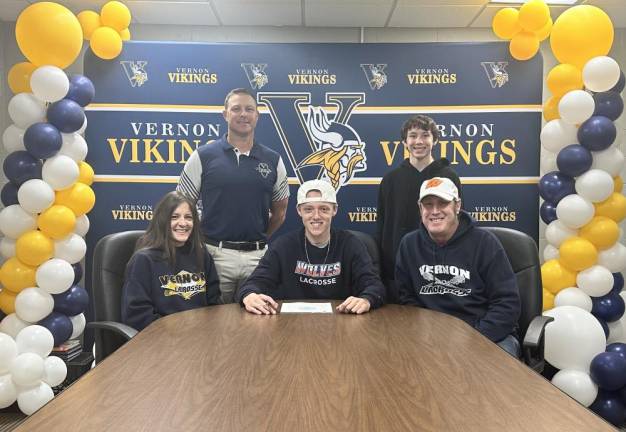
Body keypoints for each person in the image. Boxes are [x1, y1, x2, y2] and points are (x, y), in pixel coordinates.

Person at [177, 88, 290, 304]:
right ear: (225, 114)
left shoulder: (273, 160)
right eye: (236, 109)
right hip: (214, 255)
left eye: (249, 109)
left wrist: (259, 237)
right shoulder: (203, 156)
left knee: (257, 323)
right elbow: (181, 206)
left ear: (257, 116)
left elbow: (281, 211)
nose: (243, 114)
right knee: (212, 321)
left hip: (258, 257)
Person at [395, 177, 521, 356]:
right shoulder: (409, 245)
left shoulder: (485, 243)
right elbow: (407, 300)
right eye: (428, 204)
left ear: (457, 205)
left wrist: (472, 338)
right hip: (432, 337)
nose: (435, 211)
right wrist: (428, 335)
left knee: (493, 378)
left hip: (487, 335)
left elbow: (507, 304)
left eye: (443, 203)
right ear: (420, 209)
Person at [238, 179, 386, 315]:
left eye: (323, 209)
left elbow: (374, 286)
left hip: (341, 324)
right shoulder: (283, 246)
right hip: (292, 325)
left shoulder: (350, 244)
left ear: (334, 210)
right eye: (308, 209)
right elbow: (254, 283)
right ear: (299, 211)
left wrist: (366, 299)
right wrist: (249, 295)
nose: (316, 216)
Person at [377, 114, 461, 303]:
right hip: (396, 273)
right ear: (404, 142)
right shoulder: (390, 179)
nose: (419, 141)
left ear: (435, 140)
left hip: (437, 272)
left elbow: (457, 221)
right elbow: (382, 225)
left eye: (425, 135)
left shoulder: (449, 176)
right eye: (413, 136)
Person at [121, 191, 221, 331]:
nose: (183, 223)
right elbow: (137, 315)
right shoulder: (143, 260)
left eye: (188, 217)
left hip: (199, 337)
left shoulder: (202, 255)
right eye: (174, 217)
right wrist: (176, 332)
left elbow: (214, 304)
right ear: (162, 220)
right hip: (159, 340)